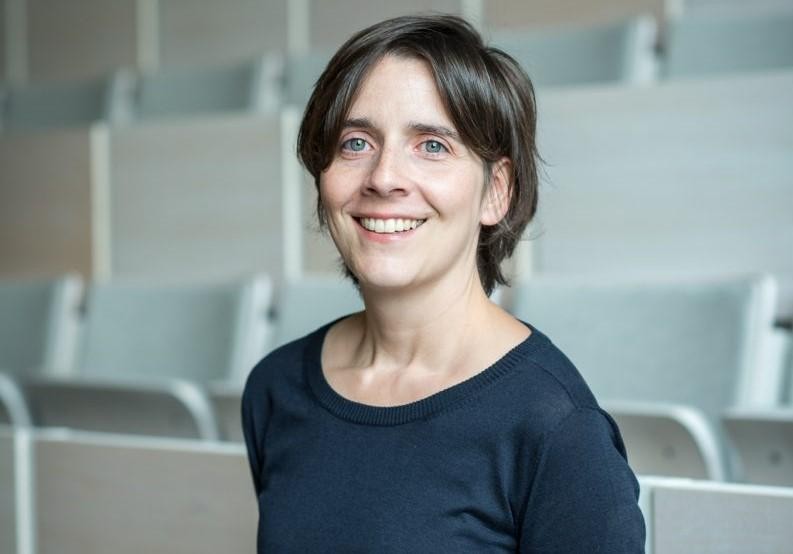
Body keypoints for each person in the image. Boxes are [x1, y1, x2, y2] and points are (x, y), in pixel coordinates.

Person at [242, 14, 646, 552]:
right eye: (356, 143)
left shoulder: (558, 430)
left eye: (432, 145)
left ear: (496, 191)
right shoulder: (276, 388)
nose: (383, 177)